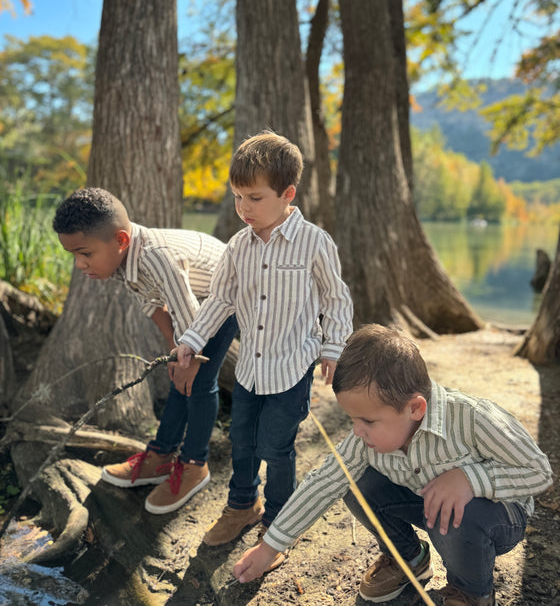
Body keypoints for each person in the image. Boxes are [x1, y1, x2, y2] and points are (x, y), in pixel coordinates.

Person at [232, 324, 553, 605]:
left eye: (368, 420)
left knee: (457, 510)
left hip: (495, 516)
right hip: (430, 504)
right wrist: (270, 547)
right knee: (352, 479)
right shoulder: (368, 436)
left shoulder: (472, 418)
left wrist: (471, 479)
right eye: (353, 419)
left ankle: (470, 592)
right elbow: (323, 481)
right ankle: (408, 557)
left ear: (415, 407)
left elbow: (539, 473)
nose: (357, 431)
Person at [174, 131, 353, 567]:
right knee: (241, 441)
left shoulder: (314, 242)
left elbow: (336, 299)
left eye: (254, 197)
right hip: (250, 372)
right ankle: (242, 506)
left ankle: (277, 523)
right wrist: (191, 339)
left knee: (276, 447)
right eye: (237, 197)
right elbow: (220, 299)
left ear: (287, 194)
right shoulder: (238, 246)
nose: (243, 208)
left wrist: (333, 348)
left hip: (291, 369)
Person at [53, 187, 238, 515]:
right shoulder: (120, 258)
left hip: (226, 299)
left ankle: (196, 465)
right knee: (179, 379)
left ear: (121, 240)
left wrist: (190, 358)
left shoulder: (156, 255)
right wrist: (173, 349)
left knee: (198, 382)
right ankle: (160, 456)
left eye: (85, 253)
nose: (80, 265)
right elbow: (153, 303)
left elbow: (192, 313)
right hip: (193, 307)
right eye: (74, 256)